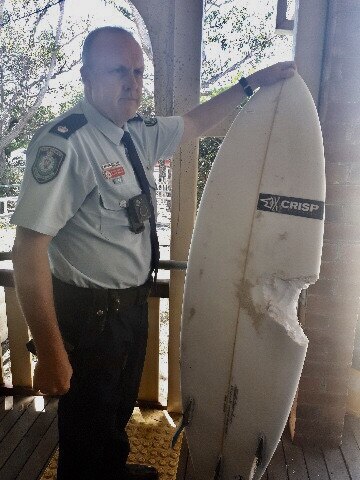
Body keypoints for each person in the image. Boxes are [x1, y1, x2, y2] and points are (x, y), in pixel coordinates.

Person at [11, 26, 295, 480]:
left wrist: (249, 84)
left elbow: (198, 122)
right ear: (86, 76)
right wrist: (49, 351)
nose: (133, 82)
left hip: (127, 311)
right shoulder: (66, 144)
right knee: (86, 426)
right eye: (119, 71)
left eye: (139, 72)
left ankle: (111, 468)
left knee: (116, 411)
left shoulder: (136, 133)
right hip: (88, 319)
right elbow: (28, 251)